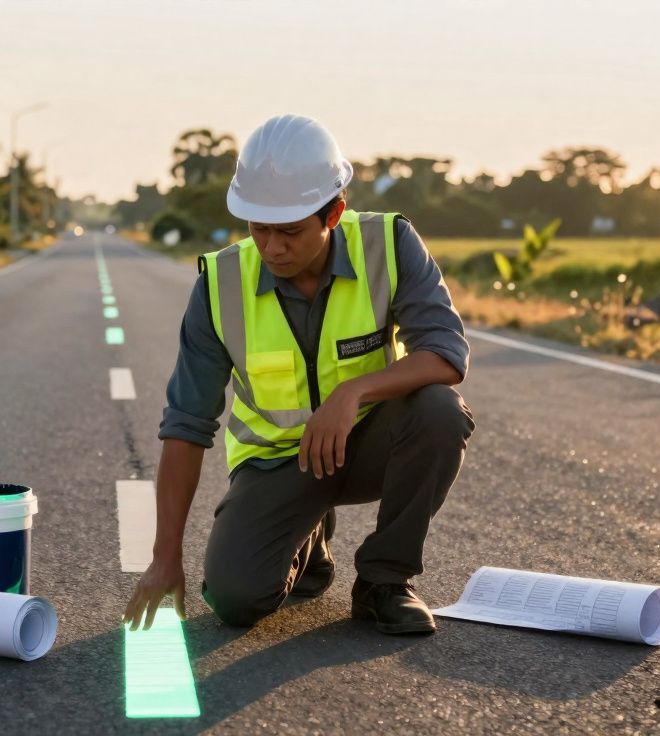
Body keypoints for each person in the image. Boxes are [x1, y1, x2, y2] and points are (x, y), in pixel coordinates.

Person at [121, 114, 476, 634]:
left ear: (334, 211)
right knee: (234, 600)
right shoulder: (220, 283)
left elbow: (447, 354)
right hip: (276, 465)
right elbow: (186, 424)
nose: (272, 248)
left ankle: (385, 581)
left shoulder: (388, 244)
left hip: (368, 446)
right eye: (258, 229)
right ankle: (308, 545)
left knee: (439, 411)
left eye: (289, 231)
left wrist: (353, 393)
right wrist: (164, 558)